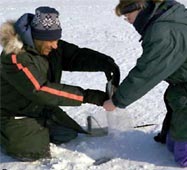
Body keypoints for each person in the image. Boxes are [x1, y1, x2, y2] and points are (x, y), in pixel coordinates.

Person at [103, 0, 187, 167]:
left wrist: (117, 100)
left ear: (140, 8)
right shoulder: (164, 24)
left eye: (127, 15)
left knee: (186, 156)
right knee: (171, 144)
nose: (128, 21)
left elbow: (147, 72)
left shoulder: (164, 32)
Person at [0, 6, 120, 161]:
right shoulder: (15, 57)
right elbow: (40, 89)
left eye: (56, 39)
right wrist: (89, 96)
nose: (55, 45)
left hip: (42, 109)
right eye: (51, 40)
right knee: (32, 154)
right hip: (14, 114)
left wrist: (105, 63)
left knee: (70, 135)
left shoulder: (48, 46)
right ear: (36, 37)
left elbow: (75, 56)